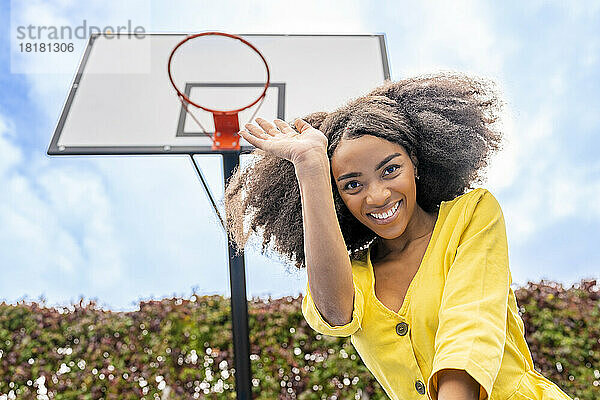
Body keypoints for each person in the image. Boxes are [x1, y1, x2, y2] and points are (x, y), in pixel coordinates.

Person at [224, 72, 573, 400]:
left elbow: (470, 328)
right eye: (352, 185)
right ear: (338, 197)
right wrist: (311, 166)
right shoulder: (354, 275)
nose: (376, 196)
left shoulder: (471, 216)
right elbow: (334, 313)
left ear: (416, 164)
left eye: (390, 170)